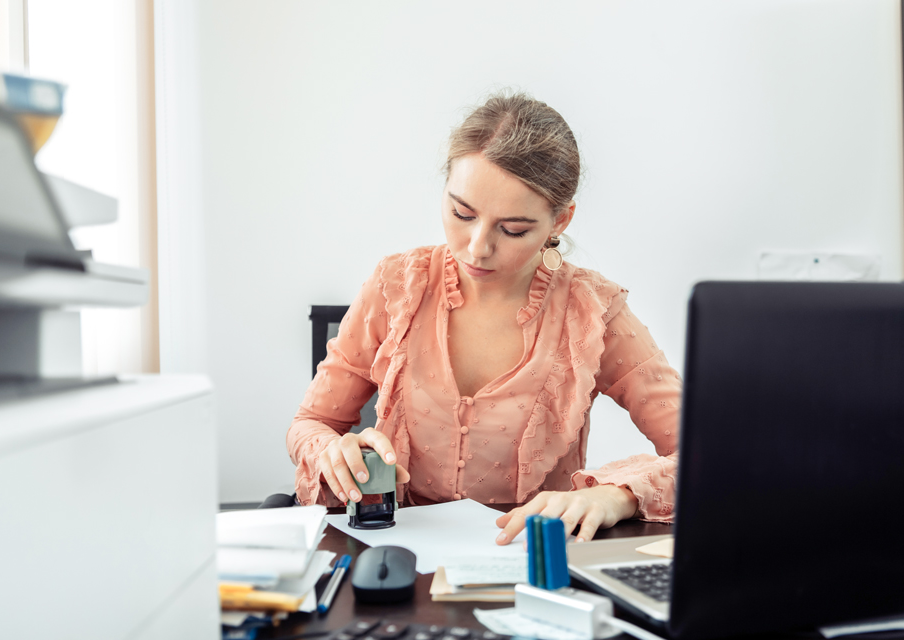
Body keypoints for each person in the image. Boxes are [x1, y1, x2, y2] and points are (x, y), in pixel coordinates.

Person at [287, 92, 680, 545]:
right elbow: (309, 424)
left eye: (513, 229)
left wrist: (616, 495)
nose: (477, 247)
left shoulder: (593, 311)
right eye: (461, 213)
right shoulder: (396, 284)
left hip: (531, 563)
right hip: (396, 553)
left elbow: (711, 455)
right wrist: (331, 451)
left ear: (560, 221)